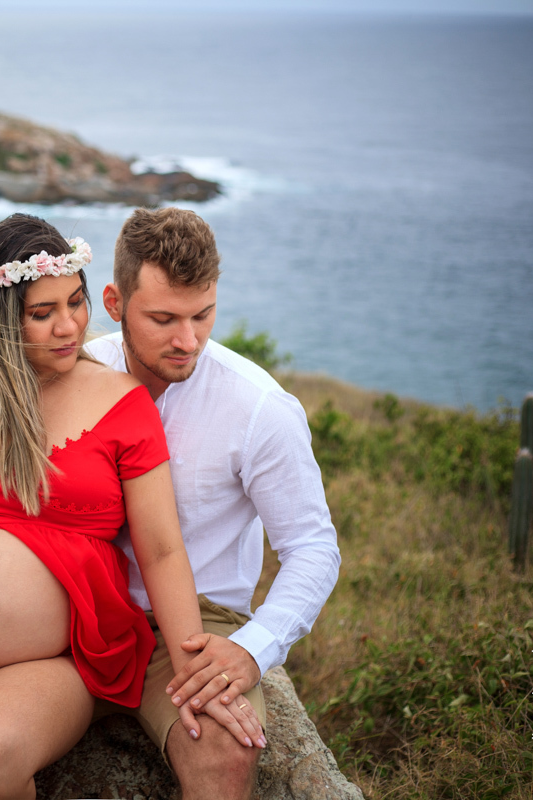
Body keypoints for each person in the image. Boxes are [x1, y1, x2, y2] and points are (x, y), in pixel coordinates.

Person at [0, 214, 263, 800]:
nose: (69, 327)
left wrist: (194, 667)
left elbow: (162, 549)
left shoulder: (123, 403)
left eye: (76, 302)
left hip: (55, 661)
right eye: (43, 313)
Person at [87, 207, 341, 799]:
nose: (188, 340)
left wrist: (254, 651)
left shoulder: (259, 407)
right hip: (80, 611)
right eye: (164, 318)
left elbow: (311, 547)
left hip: (198, 627)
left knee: (227, 755)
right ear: (114, 301)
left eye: (203, 315)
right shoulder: (75, 375)